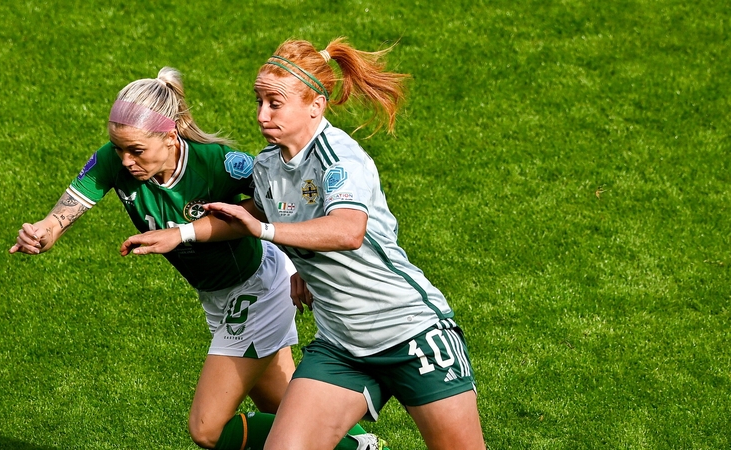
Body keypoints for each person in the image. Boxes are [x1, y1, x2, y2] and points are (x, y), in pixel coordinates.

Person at [121, 40, 486, 449]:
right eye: (259, 101)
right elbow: (254, 215)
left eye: (275, 103)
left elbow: (347, 231)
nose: (262, 114)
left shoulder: (339, 159)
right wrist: (181, 233)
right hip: (341, 345)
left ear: (316, 105)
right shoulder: (267, 165)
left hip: (410, 333)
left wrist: (267, 234)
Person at [10, 67, 381, 450]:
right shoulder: (116, 160)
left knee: (208, 428)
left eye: (136, 150)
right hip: (218, 297)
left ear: (170, 137)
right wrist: (44, 230)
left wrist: (307, 266)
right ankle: (362, 445)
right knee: (283, 404)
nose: (124, 161)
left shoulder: (219, 163)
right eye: (118, 148)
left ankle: (360, 449)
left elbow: (288, 202)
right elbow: (63, 213)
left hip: (256, 290)